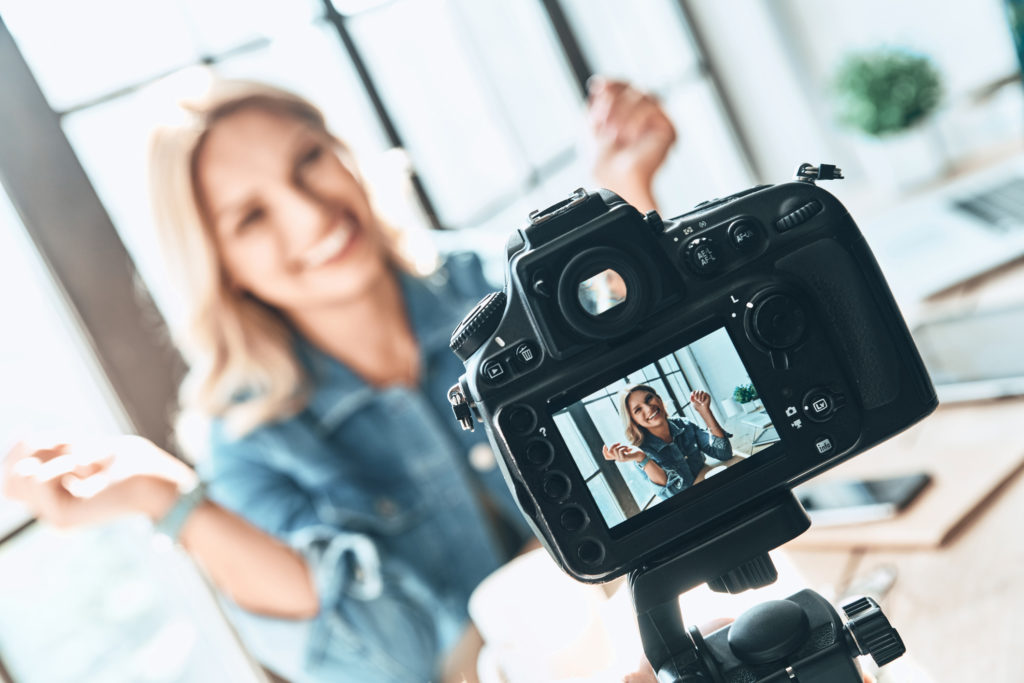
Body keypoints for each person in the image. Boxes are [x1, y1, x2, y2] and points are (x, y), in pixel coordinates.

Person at [2, 76, 677, 682]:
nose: (311, 214)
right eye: (252, 216)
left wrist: (625, 198)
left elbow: (663, 416)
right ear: (218, 260)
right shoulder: (245, 440)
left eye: (308, 161)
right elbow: (388, 659)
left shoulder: (498, 281)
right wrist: (169, 500)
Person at [603, 384, 733, 500]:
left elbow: (724, 453)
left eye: (649, 399)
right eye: (638, 410)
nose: (648, 408)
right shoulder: (641, 453)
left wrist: (705, 411)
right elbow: (675, 494)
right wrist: (641, 458)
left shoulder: (684, 425)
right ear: (634, 420)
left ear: (659, 399)